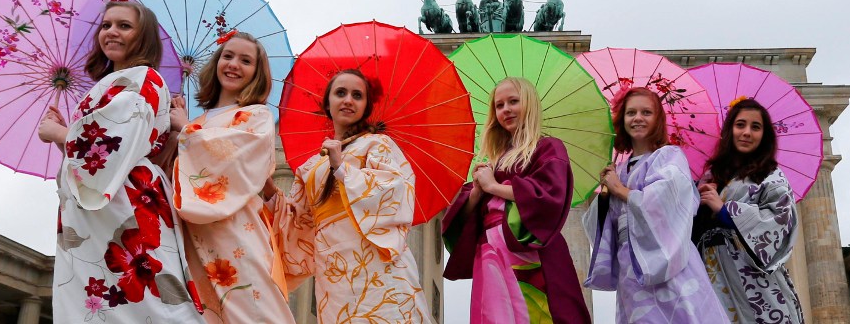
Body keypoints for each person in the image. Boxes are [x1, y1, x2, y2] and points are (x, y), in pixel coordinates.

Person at [37, 0, 204, 322]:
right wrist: (66, 138)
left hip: (125, 204)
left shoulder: (144, 77)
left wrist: (60, 133)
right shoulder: (114, 82)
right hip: (95, 209)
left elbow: (115, 143)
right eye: (106, 25)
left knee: (148, 304)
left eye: (124, 26)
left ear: (143, 37)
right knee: (99, 305)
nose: (111, 32)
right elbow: (88, 160)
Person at [268, 69, 431, 323]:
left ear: (366, 106)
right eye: (340, 93)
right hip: (332, 267)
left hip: (376, 260)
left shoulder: (378, 144)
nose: (348, 100)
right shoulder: (311, 166)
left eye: (357, 95)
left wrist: (342, 169)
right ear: (327, 103)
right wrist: (266, 187)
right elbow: (298, 220)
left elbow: (397, 190)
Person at [442, 77, 591, 323]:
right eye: (499, 106)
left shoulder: (548, 147)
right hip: (491, 249)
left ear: (530, 105)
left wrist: (494, 186)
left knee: (535, 311)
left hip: (528, 248)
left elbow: (548, 195)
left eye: (513, 101)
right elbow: (459, 217)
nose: (506, 110)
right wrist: (478, 191)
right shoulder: (493, 158)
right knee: (495, 313)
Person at [170, 30, 295, 323]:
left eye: (245, 60)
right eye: (227, 56)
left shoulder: (257, 115)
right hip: (194, 238)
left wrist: (186, 131)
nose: (234, 64)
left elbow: (237, 158)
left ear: (257, 73)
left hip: (239, 232)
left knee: (254, 312)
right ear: (216, 62)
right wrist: (182, 129)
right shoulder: (197, 120)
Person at [583, 87, 728, 323]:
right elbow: (606, 223)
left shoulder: (669, 156)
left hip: (667, 258)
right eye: (631, 113)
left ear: (657, 119)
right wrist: (606, 194)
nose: (637, 118)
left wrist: (620, 189)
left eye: (646, 112)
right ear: (622, 119)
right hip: (630, 263)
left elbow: (666, 199)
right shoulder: (618, 170)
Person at [692, 98, 804, 323]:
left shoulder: (771, 175)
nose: (746, 132)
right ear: (730, 129)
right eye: (740, 124)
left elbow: (780, 220)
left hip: (752, 277)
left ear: (764, 135)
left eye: (755, 127)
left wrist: (725, 209)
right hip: (710, 271)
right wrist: (698, 200)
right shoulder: (709, 176)